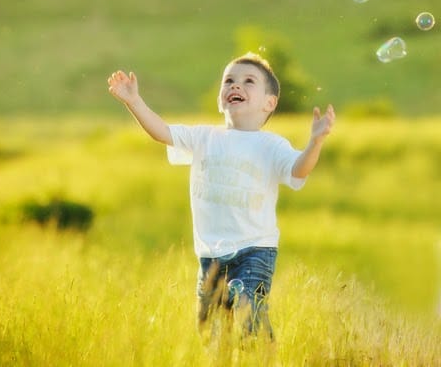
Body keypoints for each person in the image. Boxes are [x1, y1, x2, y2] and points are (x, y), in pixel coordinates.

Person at [107, 52, 335, 340]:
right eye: (229, 80)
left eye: (248, 81)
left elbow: (299, 170)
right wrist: (134, 101)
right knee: (210, 330)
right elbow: (162, 132)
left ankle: (262, 357)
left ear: (269, 102)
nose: (235, 86)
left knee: (247, 314)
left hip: (255, 250)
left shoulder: (271, 145)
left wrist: (315, 142)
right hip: (210, 255)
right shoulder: (205, 137)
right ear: (220, 99)